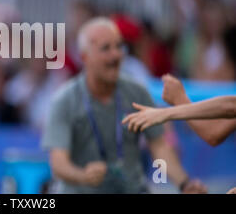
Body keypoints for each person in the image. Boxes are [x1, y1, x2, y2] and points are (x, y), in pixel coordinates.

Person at [42, 17, 207, 194]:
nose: (116, 55)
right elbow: (58, 162)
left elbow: (159, 145)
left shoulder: (137, 92)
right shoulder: (64, 100)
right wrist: (83, 176)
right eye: (106, 48)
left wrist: (184, 183)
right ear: (85, 57)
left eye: (119, 46)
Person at [123, 74, 236, 194]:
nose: (114, 55)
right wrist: (185, 185)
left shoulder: (136, 90)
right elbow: (214, 133)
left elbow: (232, 106)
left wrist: (166, 112)